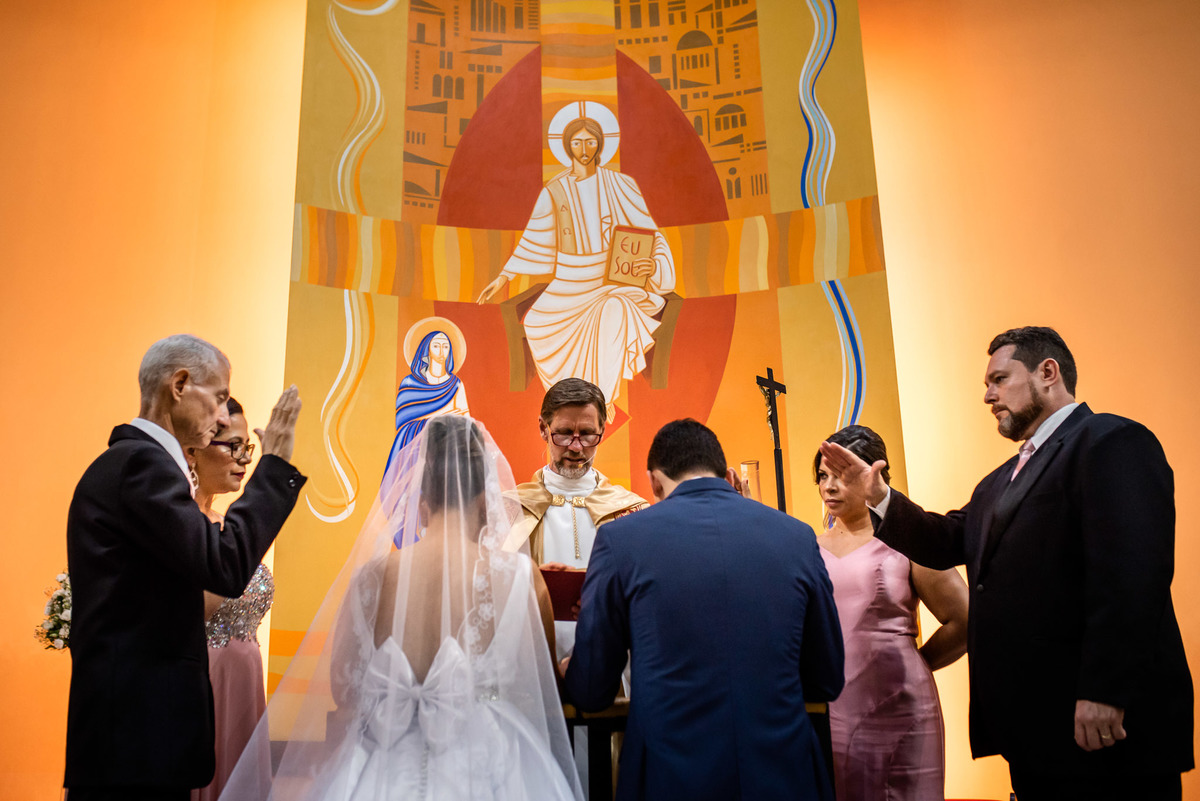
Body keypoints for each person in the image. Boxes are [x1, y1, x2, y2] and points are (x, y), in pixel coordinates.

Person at [818, 326, 1194, 801]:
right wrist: (879, 497)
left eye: (998, 379)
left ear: (1048, 373)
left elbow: (1133, 574)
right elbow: (943, 540)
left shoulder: (1111, 441)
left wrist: (1106, 690)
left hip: (1105, 725)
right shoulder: (999, 481)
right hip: (1038, 731)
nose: (988, 395)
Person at [220, 415, 582, 800]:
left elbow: (343, 687)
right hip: (487, 763)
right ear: (484, 501)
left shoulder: (372, 576)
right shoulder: (519, 576)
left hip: (383, 763)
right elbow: (542, 692)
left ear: (421, 503)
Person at [64, 334, 304, 800]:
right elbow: (225, 565)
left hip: (134, 739)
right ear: (178, 385)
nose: (220, 417)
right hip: (136, 742)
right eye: (217, 398)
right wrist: (273, 464)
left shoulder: (136, 465)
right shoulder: (141, 465)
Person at [565, 418, 845, 801]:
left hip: (670, 777)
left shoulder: (621, 540)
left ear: (654, 481)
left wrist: (571, 669)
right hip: (783, 772)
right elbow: (826, 678)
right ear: (725, 472)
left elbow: (593, 688)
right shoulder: (796, 536)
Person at [476, 115, 676, 416]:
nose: (584, 148)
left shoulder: (621, 185)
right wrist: (504, 276)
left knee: (615, 312)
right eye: (577, 141)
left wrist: (653, 266)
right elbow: (533, 239)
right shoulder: (554, 191)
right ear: (567, 146)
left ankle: (602, 401)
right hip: (569, 281)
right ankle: (566, 404)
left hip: (611, 280)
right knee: (535, 322)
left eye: (591, 141)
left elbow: (651, 233)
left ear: (601, 144)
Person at [814, 424, 968, 801]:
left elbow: (965, 619)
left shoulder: (907, 536)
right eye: (822, 475)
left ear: (874, 474)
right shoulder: (808, 547)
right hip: (833, 711)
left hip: (901, 710)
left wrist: (916, 665)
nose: (829, 486)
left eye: (842, 475)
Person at [500, 377, 646, 661]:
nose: (577, 448)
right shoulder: (508, 510)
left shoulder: (630, 511)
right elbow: (480, 595)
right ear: (543, 428)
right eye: (565, 433)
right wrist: (529, 582)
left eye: (589, 434)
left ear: (603, 430)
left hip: (612, 663)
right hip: (531, 660)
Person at [184, 398, 274, 801]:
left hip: (245, 686)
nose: (243, 459)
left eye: (247, 449)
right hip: (203, 683)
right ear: (195, 449)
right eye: (232, 447)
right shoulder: (181, 525)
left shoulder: (226, 526)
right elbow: (188, 612)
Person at [384, 329, 469, 476]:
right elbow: (403, 420)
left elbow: (465, 418)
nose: (442, 351)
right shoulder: (410, 382)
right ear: (427, 349)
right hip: (414, 445)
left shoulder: (456, 384)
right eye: (436, 346)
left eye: (445, 346)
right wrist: (443, 415)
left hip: (446, 446)